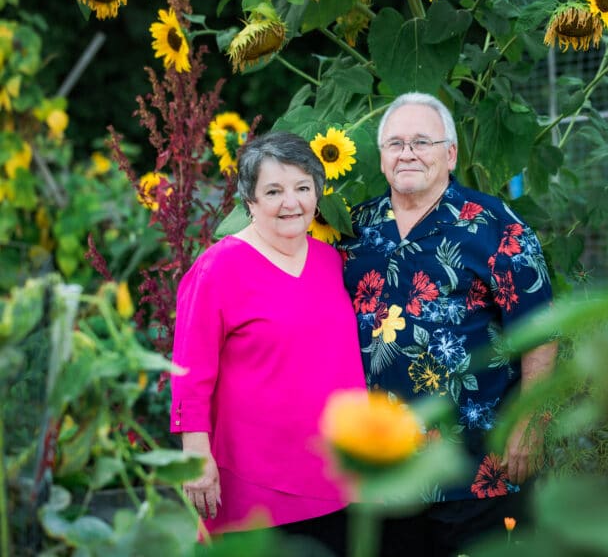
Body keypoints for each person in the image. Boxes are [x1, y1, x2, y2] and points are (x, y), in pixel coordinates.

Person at [337, 92, 557, 556]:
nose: (408, 153)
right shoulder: (355, 233)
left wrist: (532, 421)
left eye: (422, 141)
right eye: (395, 143)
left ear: (450, 153)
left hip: (479, 468)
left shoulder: (496, 226)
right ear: (381, 159)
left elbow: (539, 327)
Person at [169, 131, 366, 554]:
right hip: (252, 485)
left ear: (317, 194)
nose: (290, 202)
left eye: (302, 188)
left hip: (336, 477)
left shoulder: (332, 261)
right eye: (273, 191)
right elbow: (190, 372)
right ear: (250, 201)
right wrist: (196, 457)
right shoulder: (218, 270)